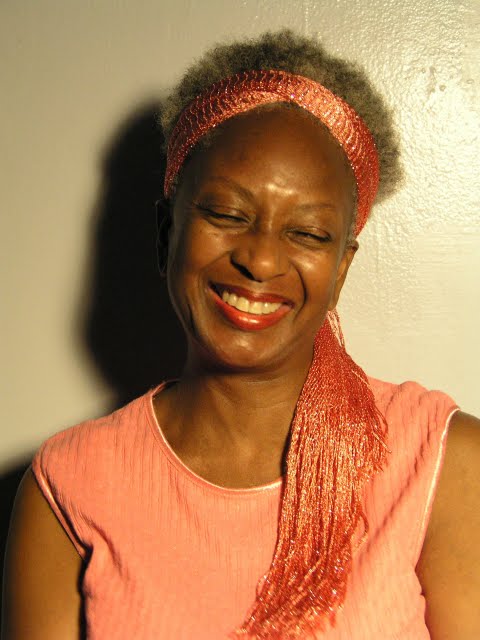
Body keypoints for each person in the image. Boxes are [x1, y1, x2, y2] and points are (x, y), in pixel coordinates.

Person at [2, 30, 479, 640]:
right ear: (165, 233)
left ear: (341, 269)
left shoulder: (442, 465)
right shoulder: (69, 485)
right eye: (226, 215)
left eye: (307, 233)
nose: (259, 259)